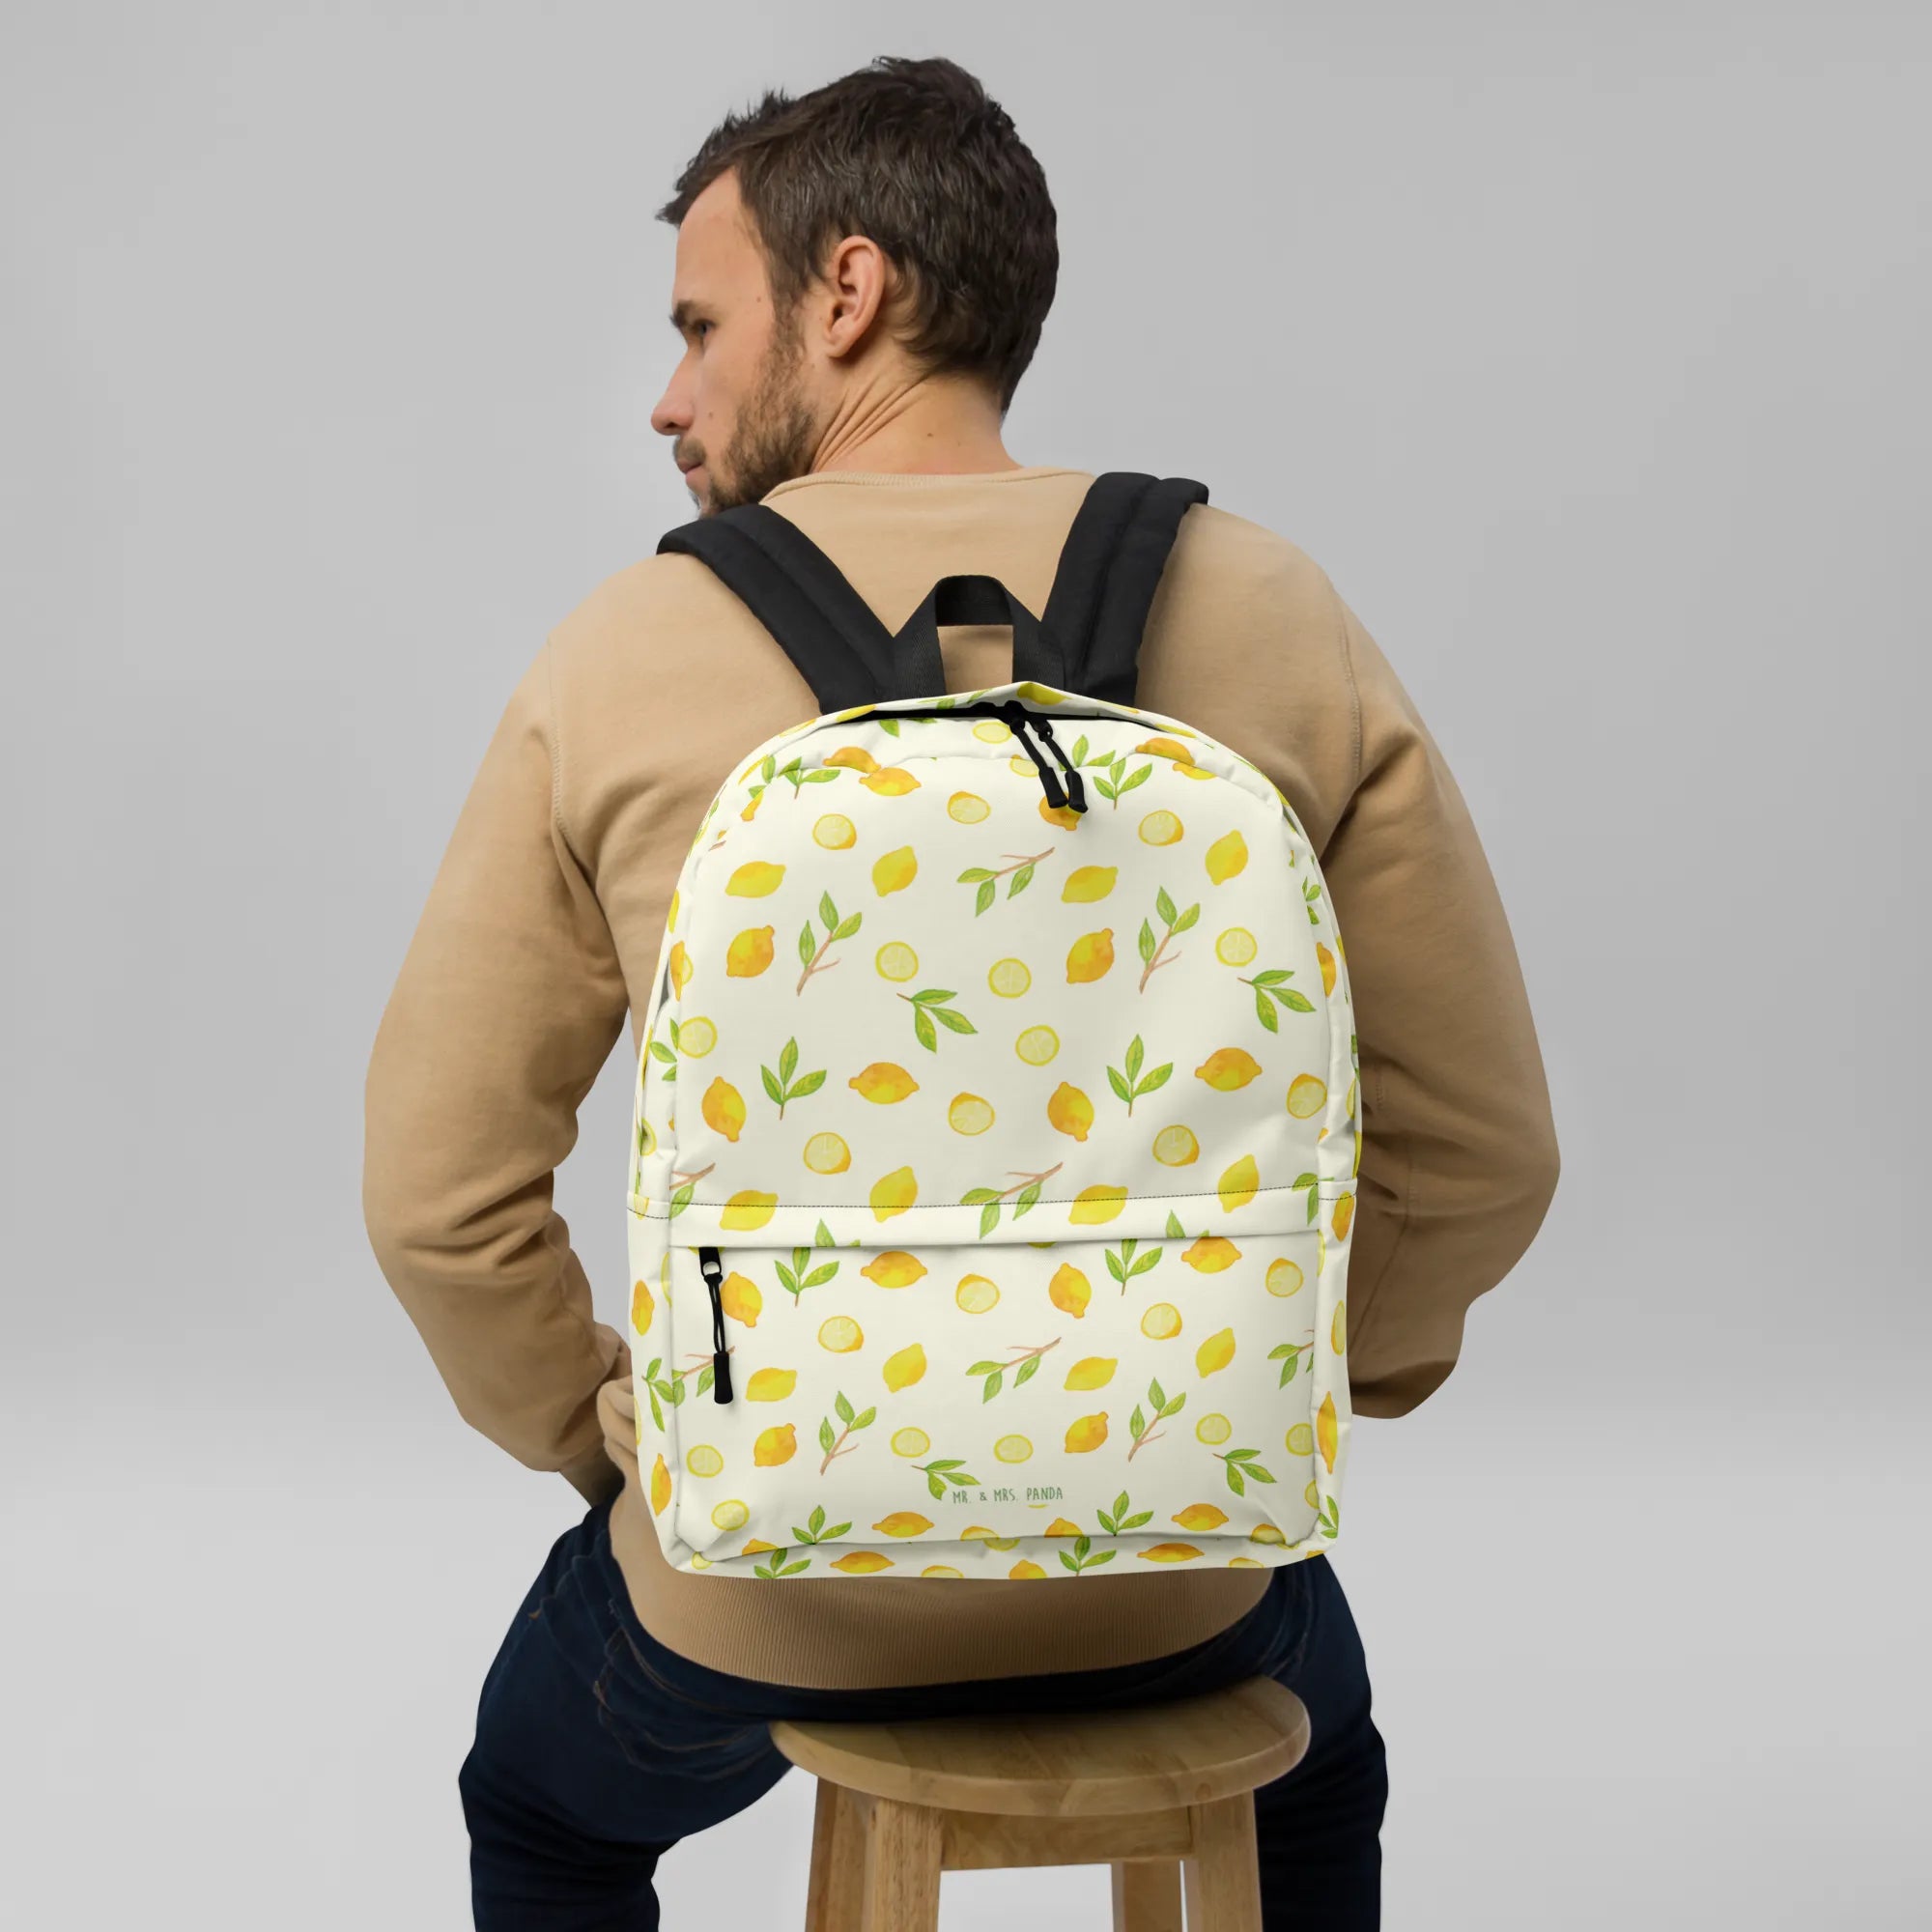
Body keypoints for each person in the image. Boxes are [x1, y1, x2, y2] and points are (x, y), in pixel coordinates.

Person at [360, 54, 1560, 1931]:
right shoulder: (1273, 607)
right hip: (1179, 1571)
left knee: (546, 1812)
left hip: (756, 1580)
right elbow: (1483, 1152)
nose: (669, 397)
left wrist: (626, 1440)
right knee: (1320, 1770)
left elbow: (437, 1202)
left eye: (700, 327)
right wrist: (1292, 1383)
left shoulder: (621, 654)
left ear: (847, 291)